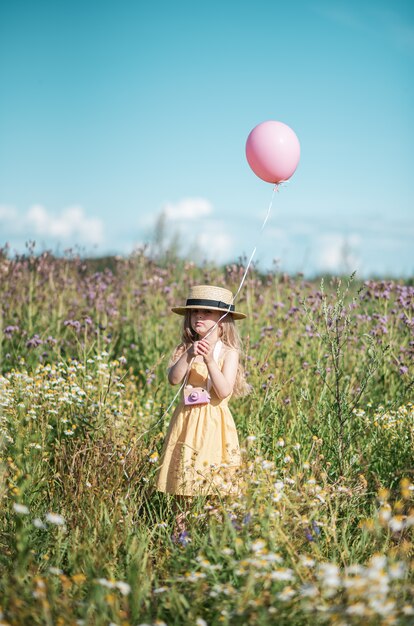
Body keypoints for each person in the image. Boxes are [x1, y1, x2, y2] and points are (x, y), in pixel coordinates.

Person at [155, 284, 249, 536]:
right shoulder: (184, 348)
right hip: (187, 422)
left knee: (214, 484)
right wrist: (188, 356)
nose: (198, 316)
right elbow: (174, 379)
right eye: (195, 311)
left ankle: (211, 535)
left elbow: (224, 390)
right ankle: (180, 534)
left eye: (206, 313)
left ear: (222, 321)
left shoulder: (229, 353)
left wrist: (208, 360)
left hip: (215, 424)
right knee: (184, 482)